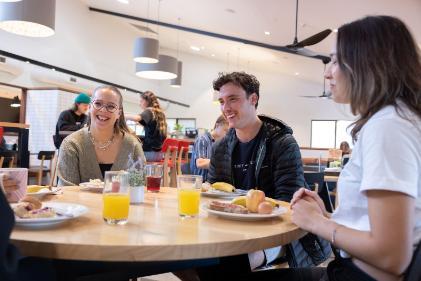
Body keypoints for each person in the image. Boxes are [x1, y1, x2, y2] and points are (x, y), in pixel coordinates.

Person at [245, 15, 421, 281]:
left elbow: (391, 255)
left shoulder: (388, 127)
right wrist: (327, 215)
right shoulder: (398, 119)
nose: (327, 72)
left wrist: (318, 223)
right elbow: (378, 227)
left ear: (367, 62)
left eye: (336, 60)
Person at [197, 72, 328, 280]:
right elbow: (213, 193)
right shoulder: (221, 147)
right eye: (222, 101)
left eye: (233, 99)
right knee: (199, 260)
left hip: (274, 235)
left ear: (253, 99)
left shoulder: (282, 142)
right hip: (229, 232)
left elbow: (289, 202)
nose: (225, 108)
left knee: (224, 266)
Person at [57, 85, 145, 186]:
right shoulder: (72, 144)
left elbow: (139, 188)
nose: (103, 110)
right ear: (90, 108)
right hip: (79, 203)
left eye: (111, 106)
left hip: (121, 202)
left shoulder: (132, 145)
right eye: (98, 104)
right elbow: (67, 193)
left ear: (119, 113)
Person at [125, 91, 167, 162]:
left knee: (127, 158)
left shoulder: (149, 111)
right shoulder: (159, 113)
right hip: (159, 154)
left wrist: (121, 115)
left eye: (141, 101)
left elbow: (136, 118)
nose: (140, 104)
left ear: (147, 101)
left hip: (149, 154)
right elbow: (149, 125)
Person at [190, 115, 229, 182]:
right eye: (225, 130)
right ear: (217, 126)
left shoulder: (222, 143)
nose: (227, 134)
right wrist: (222, 163)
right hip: (201, 182)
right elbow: (200, 163)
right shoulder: (203, 139)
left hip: (215, 182)